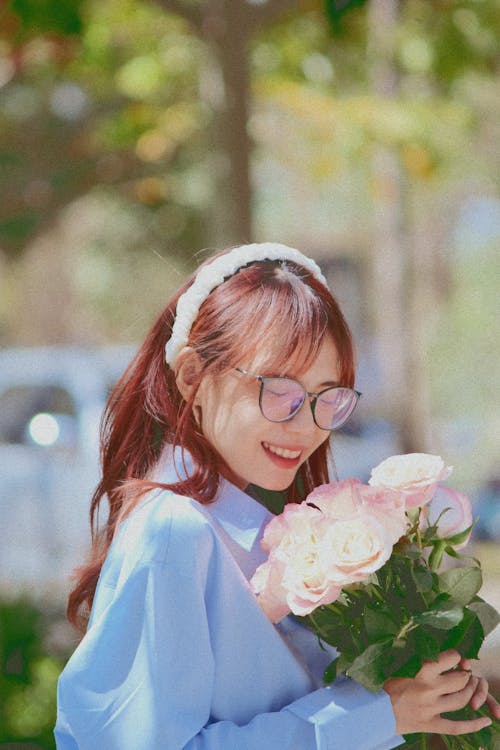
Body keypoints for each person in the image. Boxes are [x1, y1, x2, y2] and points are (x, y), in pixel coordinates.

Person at [55, 243, 499, 750]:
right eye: (279, 391)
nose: (305, 425)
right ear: (193, 378)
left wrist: (419, 686)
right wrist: (379, 714)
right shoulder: (174, 529)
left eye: (326, 397)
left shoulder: (267, 526)